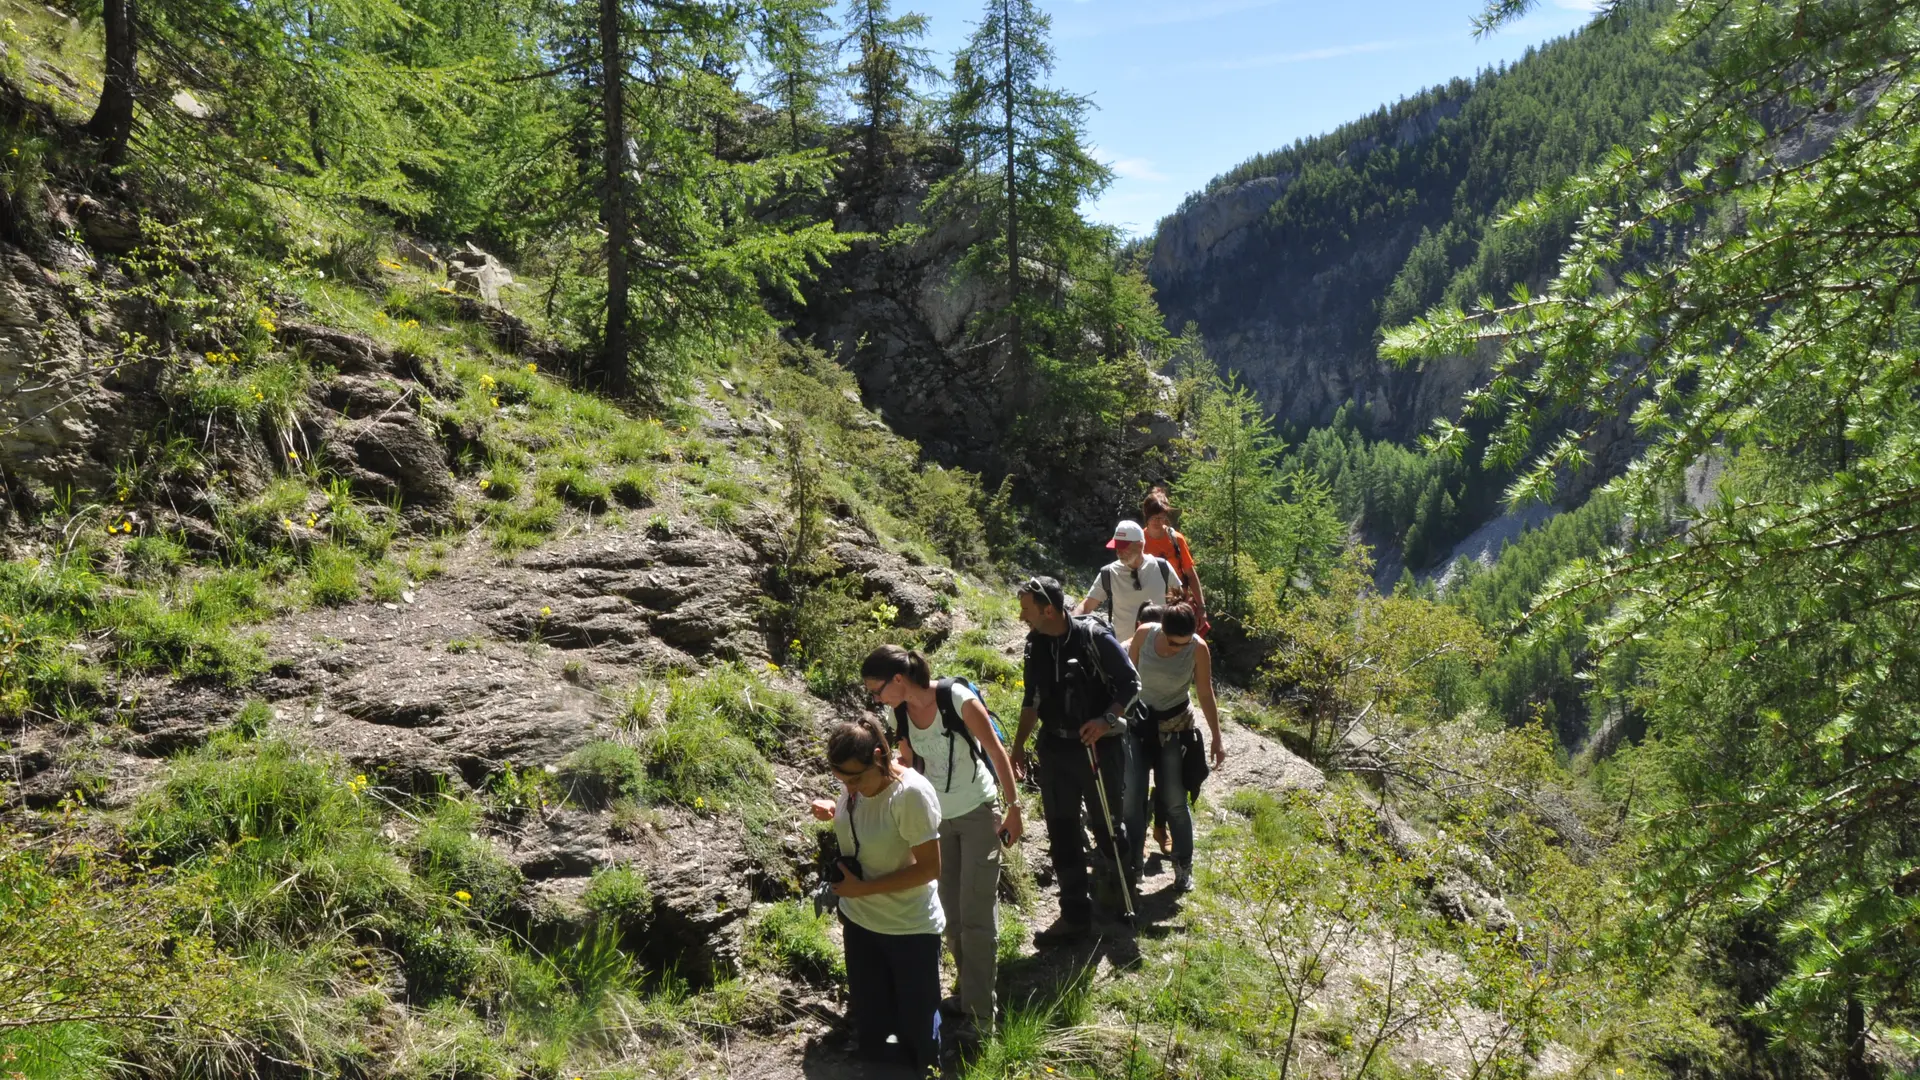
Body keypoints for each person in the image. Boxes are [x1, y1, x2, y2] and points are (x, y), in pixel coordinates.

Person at [861, 646, 1023, 1045]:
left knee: (976, 917)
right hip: (937, 821)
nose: (876, 698)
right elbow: (908, 766)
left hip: (979, 814)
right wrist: (856, 795)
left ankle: (983, 1017)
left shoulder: (956, 699)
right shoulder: (900, 713)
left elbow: (996, 751)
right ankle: (969, 996)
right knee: (950, 914)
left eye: (877, 689)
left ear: (898, 680)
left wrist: (1014, 807)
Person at [808, 716, 945, 1072]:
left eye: (855, 779)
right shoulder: (855, 783)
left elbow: (930, 869)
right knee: (874, 1025)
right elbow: (862, 818)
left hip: (908, 928)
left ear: (880, 756)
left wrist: (863, 889)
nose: (849, 788)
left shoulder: (910, 795)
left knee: (917, 1028)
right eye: (841, 781)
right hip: (860, 922)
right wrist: (834, 809)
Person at [1010, 576, 1141, 945]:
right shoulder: (1035, 644)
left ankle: (1118, 905)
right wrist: (1019, 746)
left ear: (1047, 609)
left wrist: (1106, 720)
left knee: (1108, 828)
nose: (1021, 616)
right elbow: (1031, 700)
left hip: (1100, 747)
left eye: (1026, 609)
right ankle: (1074, 915)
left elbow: (1131, 683)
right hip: (1055, 748)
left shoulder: (1094, 637)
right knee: (1062, 831)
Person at [1122, 603, 1227, 893]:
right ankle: (1133, 864)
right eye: (1171, 642)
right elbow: (1126, 678)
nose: (1177, 649)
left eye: (1183, 644)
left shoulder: (1198, 649)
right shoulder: (1144, 635)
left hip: (1175, 727)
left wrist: (1217, 737)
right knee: (1132, 797)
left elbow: (1205, 692)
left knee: (1175, 801)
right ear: (1162, 629)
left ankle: (1183, 867)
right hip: (1138, 726)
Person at [1076, 519, 1183, 643]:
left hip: (1161, 649)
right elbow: (1086, 606)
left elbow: (1180, 601)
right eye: (1116, 547)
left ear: (1140, 545)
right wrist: (1071, 624)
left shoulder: (1162, 567)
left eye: (1123, 547)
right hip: (1123, 653)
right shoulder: (1109, 573)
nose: (1118, 552)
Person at [1141, 488, 1207, 638]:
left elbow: (1190, 574)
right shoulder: (1140, 540)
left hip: (1177, 601)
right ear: (1147, 516)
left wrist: (1201, 607)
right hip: (1151, 602)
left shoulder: (1176, 539)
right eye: (1154, 518)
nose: (1158, 522)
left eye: (1161, 517)